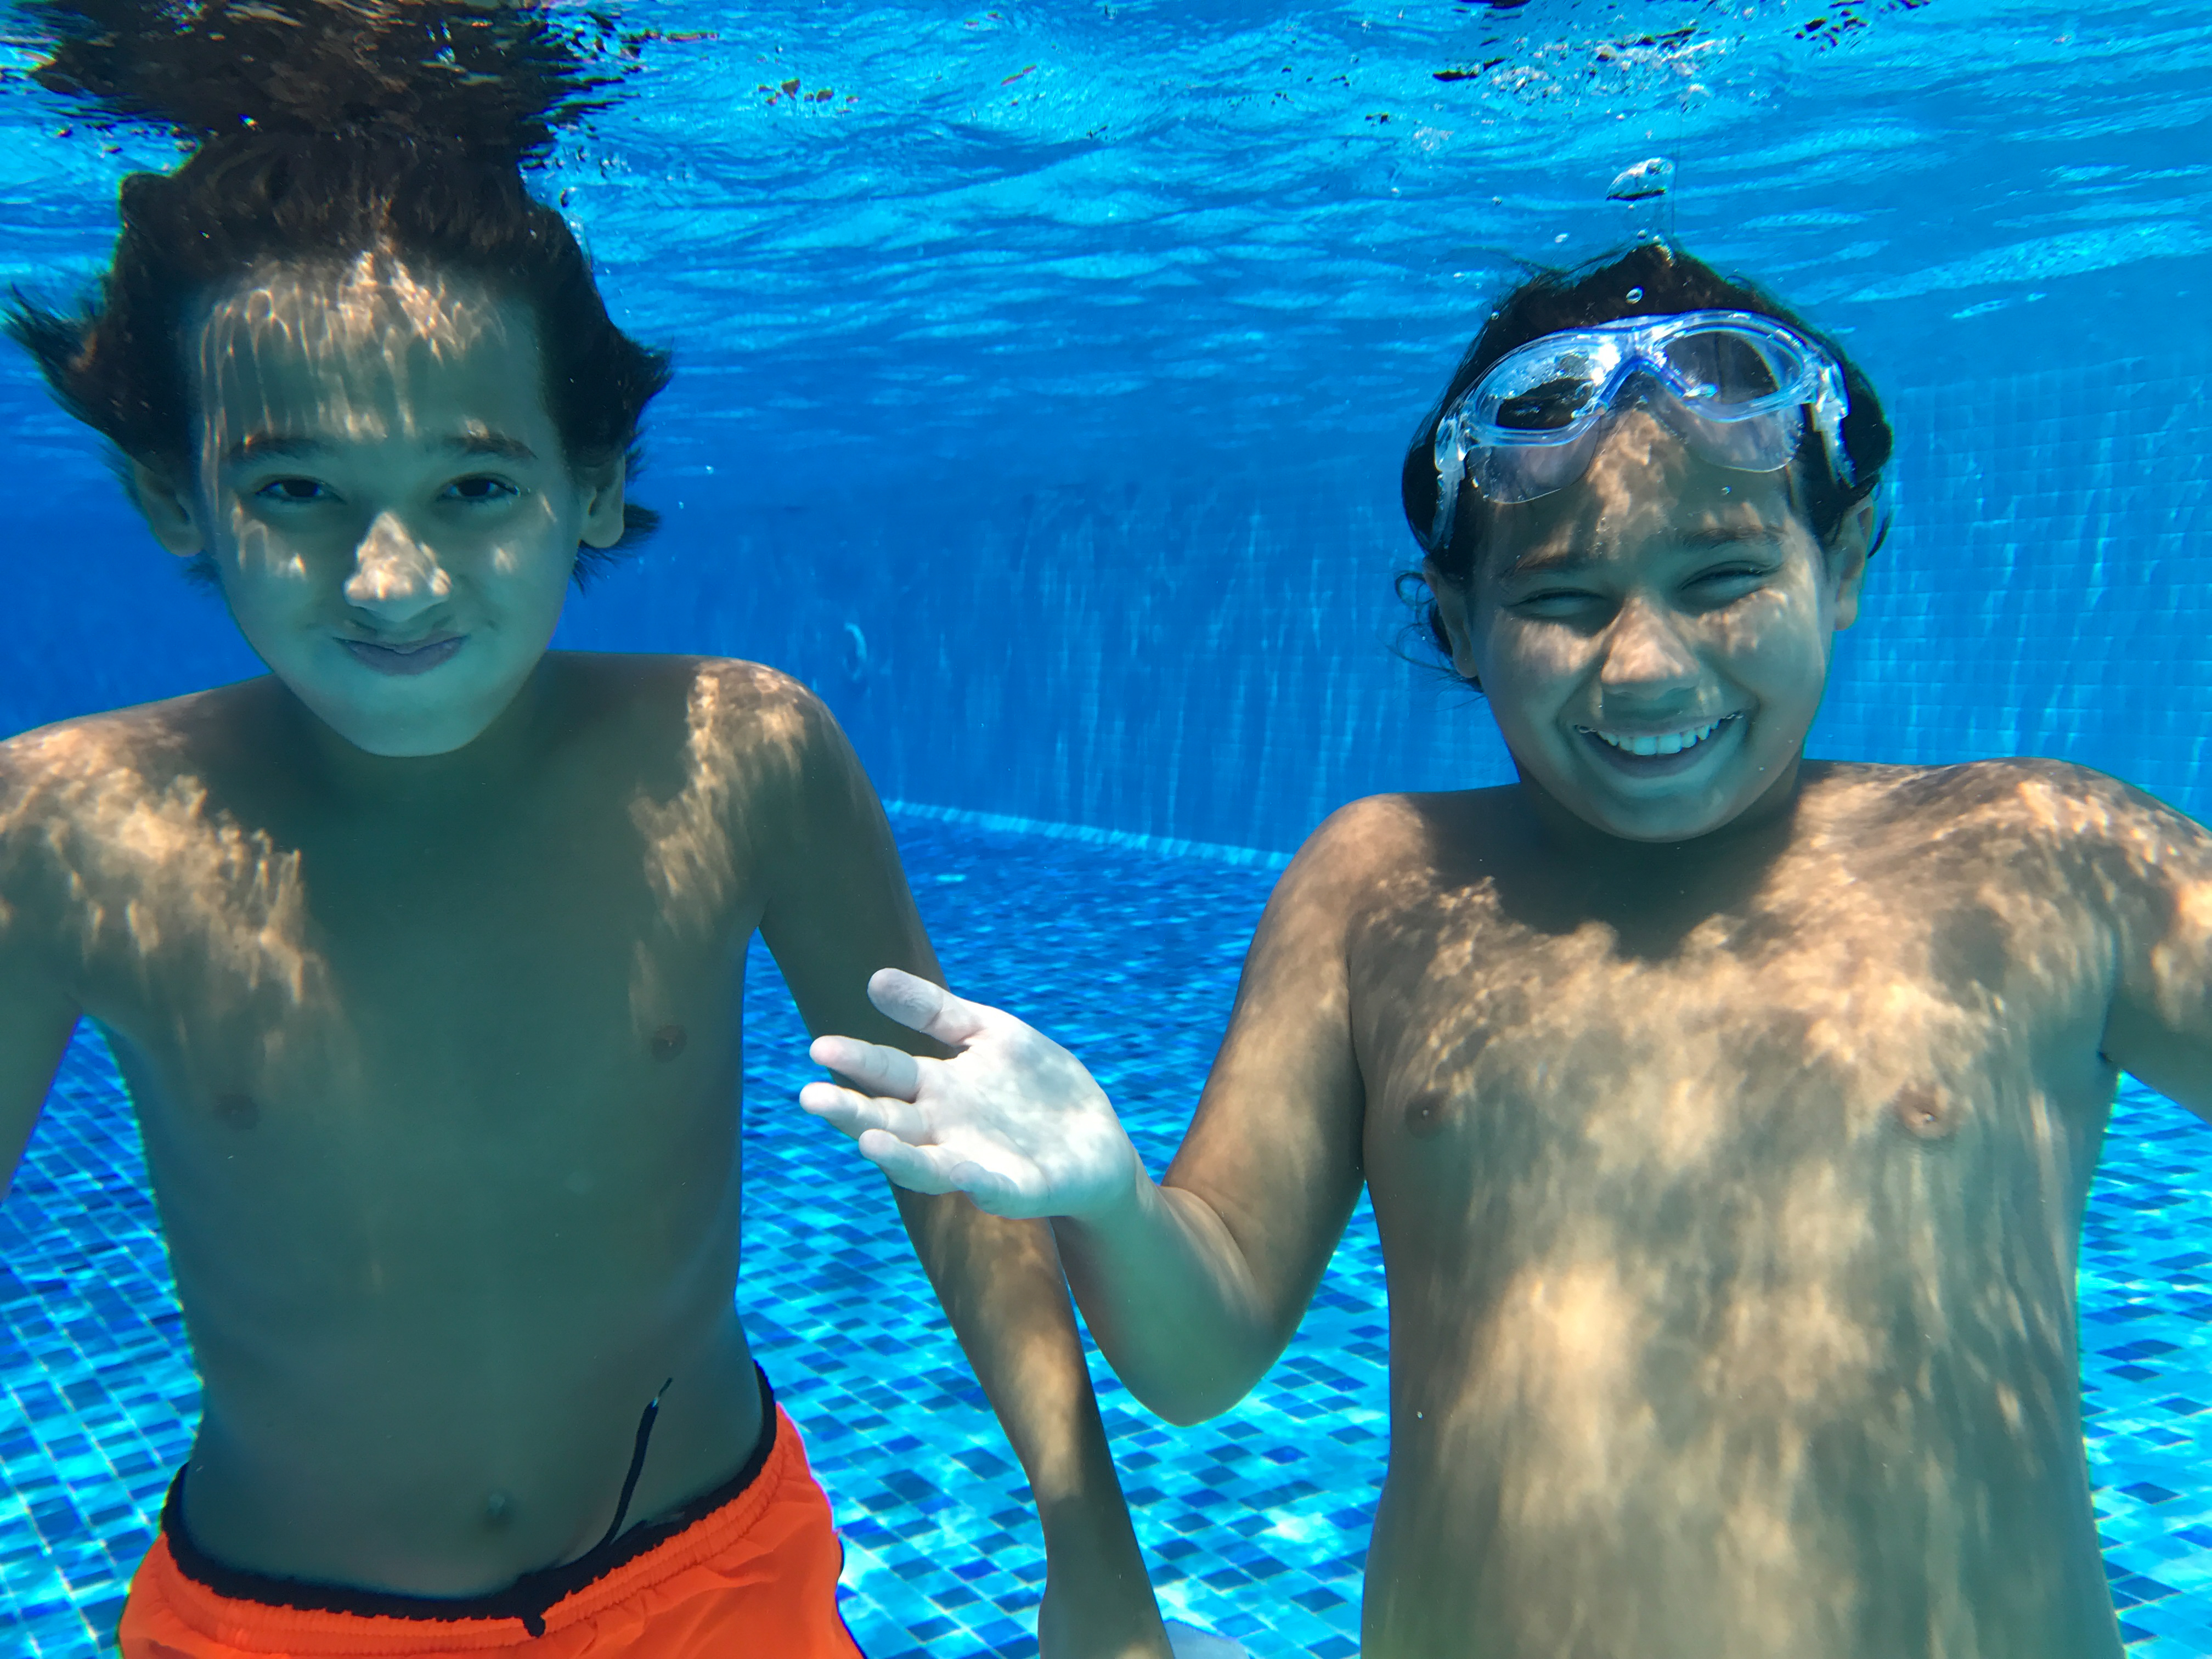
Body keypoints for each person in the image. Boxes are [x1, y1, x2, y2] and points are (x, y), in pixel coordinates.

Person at [800, 240, 2211, 1658]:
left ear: (1839, 564)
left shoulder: (2042, 858)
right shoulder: (1380, 886)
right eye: (1562, 601)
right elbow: (1202, 1354)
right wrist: (1107, 1199)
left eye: (1723, 575)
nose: (1648, 667)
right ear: (1460, 624)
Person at [0, 3, 1192, 1655]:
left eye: (475, 487)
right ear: (172, 496)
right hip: (282, 1621)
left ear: (597, 485)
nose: (391, 579)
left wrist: (1092, 1550)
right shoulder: (67, 832)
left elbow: (954, 1164)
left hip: (717, 1582)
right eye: (297, 491)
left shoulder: (742, 755)